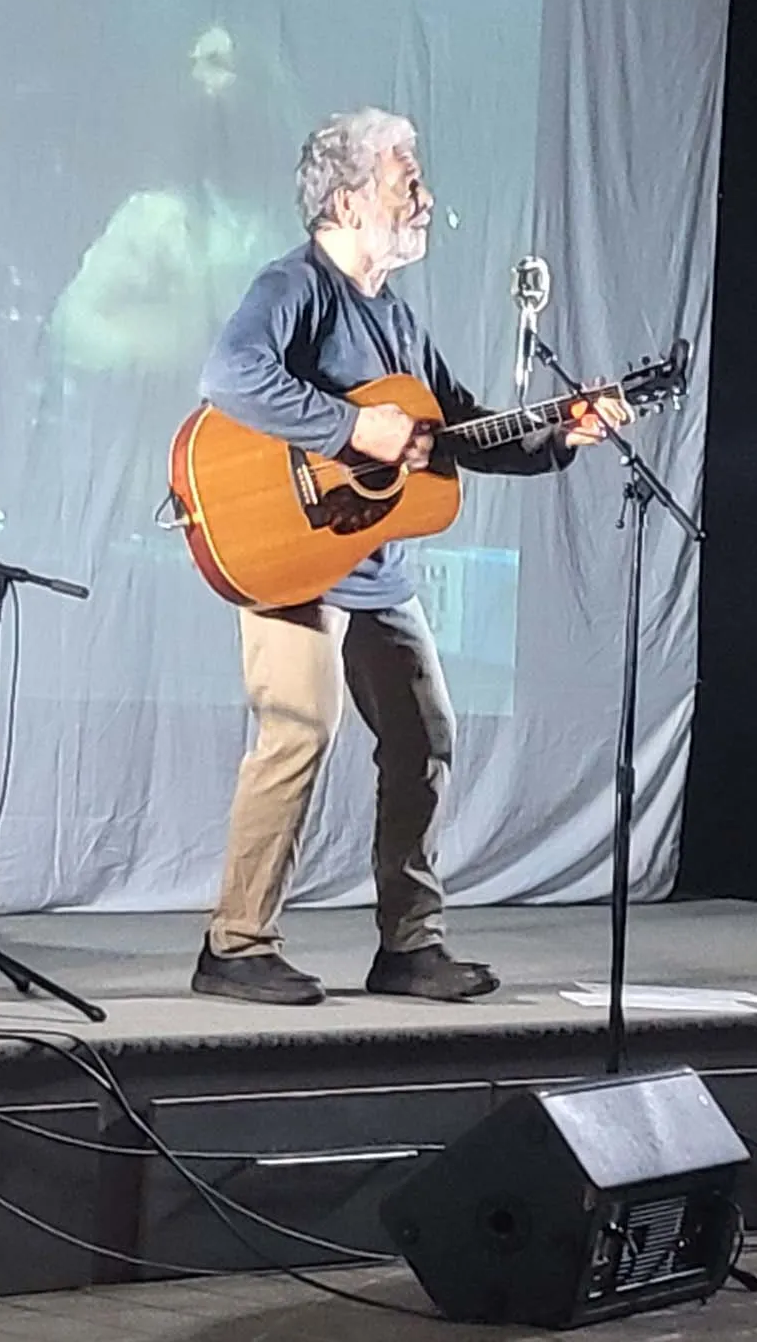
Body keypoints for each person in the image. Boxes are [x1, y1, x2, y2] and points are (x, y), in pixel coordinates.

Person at [191, 107, 628, 1006]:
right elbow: (230, 375)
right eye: (407, 181)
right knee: (299, 733)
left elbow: (457, 427)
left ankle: (409, 947)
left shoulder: (394, 316)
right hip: (288, 551)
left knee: (424, 735)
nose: (425, 198)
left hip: (372, 562)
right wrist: (352, 424)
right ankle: (234, 946)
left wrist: (560, 432)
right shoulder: (295, 287)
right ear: (350, 202)